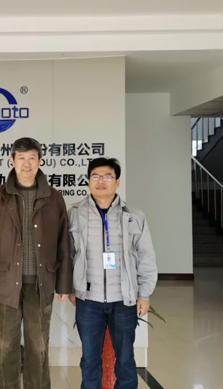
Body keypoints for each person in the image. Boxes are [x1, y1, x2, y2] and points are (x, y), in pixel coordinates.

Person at [0, 137, 73, 389]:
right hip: (6, 284)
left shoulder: (53, 197)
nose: (26, 163)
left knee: (38, 346)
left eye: (32, 158)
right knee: (6, 347)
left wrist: (64, 285)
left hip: (41, 284)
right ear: (12, 160)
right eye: (21, 158)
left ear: (40, 161)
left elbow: (64, 243)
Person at [68, 158, 158, 389]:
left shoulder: (133, 215)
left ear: (117, 182)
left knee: (126, 360)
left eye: (107, 176)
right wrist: (69, 287)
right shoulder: (75, 213)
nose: (101, 181)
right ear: (88, 181)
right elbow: (67, 254)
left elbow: (146, 256)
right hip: (88, 300)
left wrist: (144, 294)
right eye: (95, 176)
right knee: (89, 360)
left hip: (124, 300)